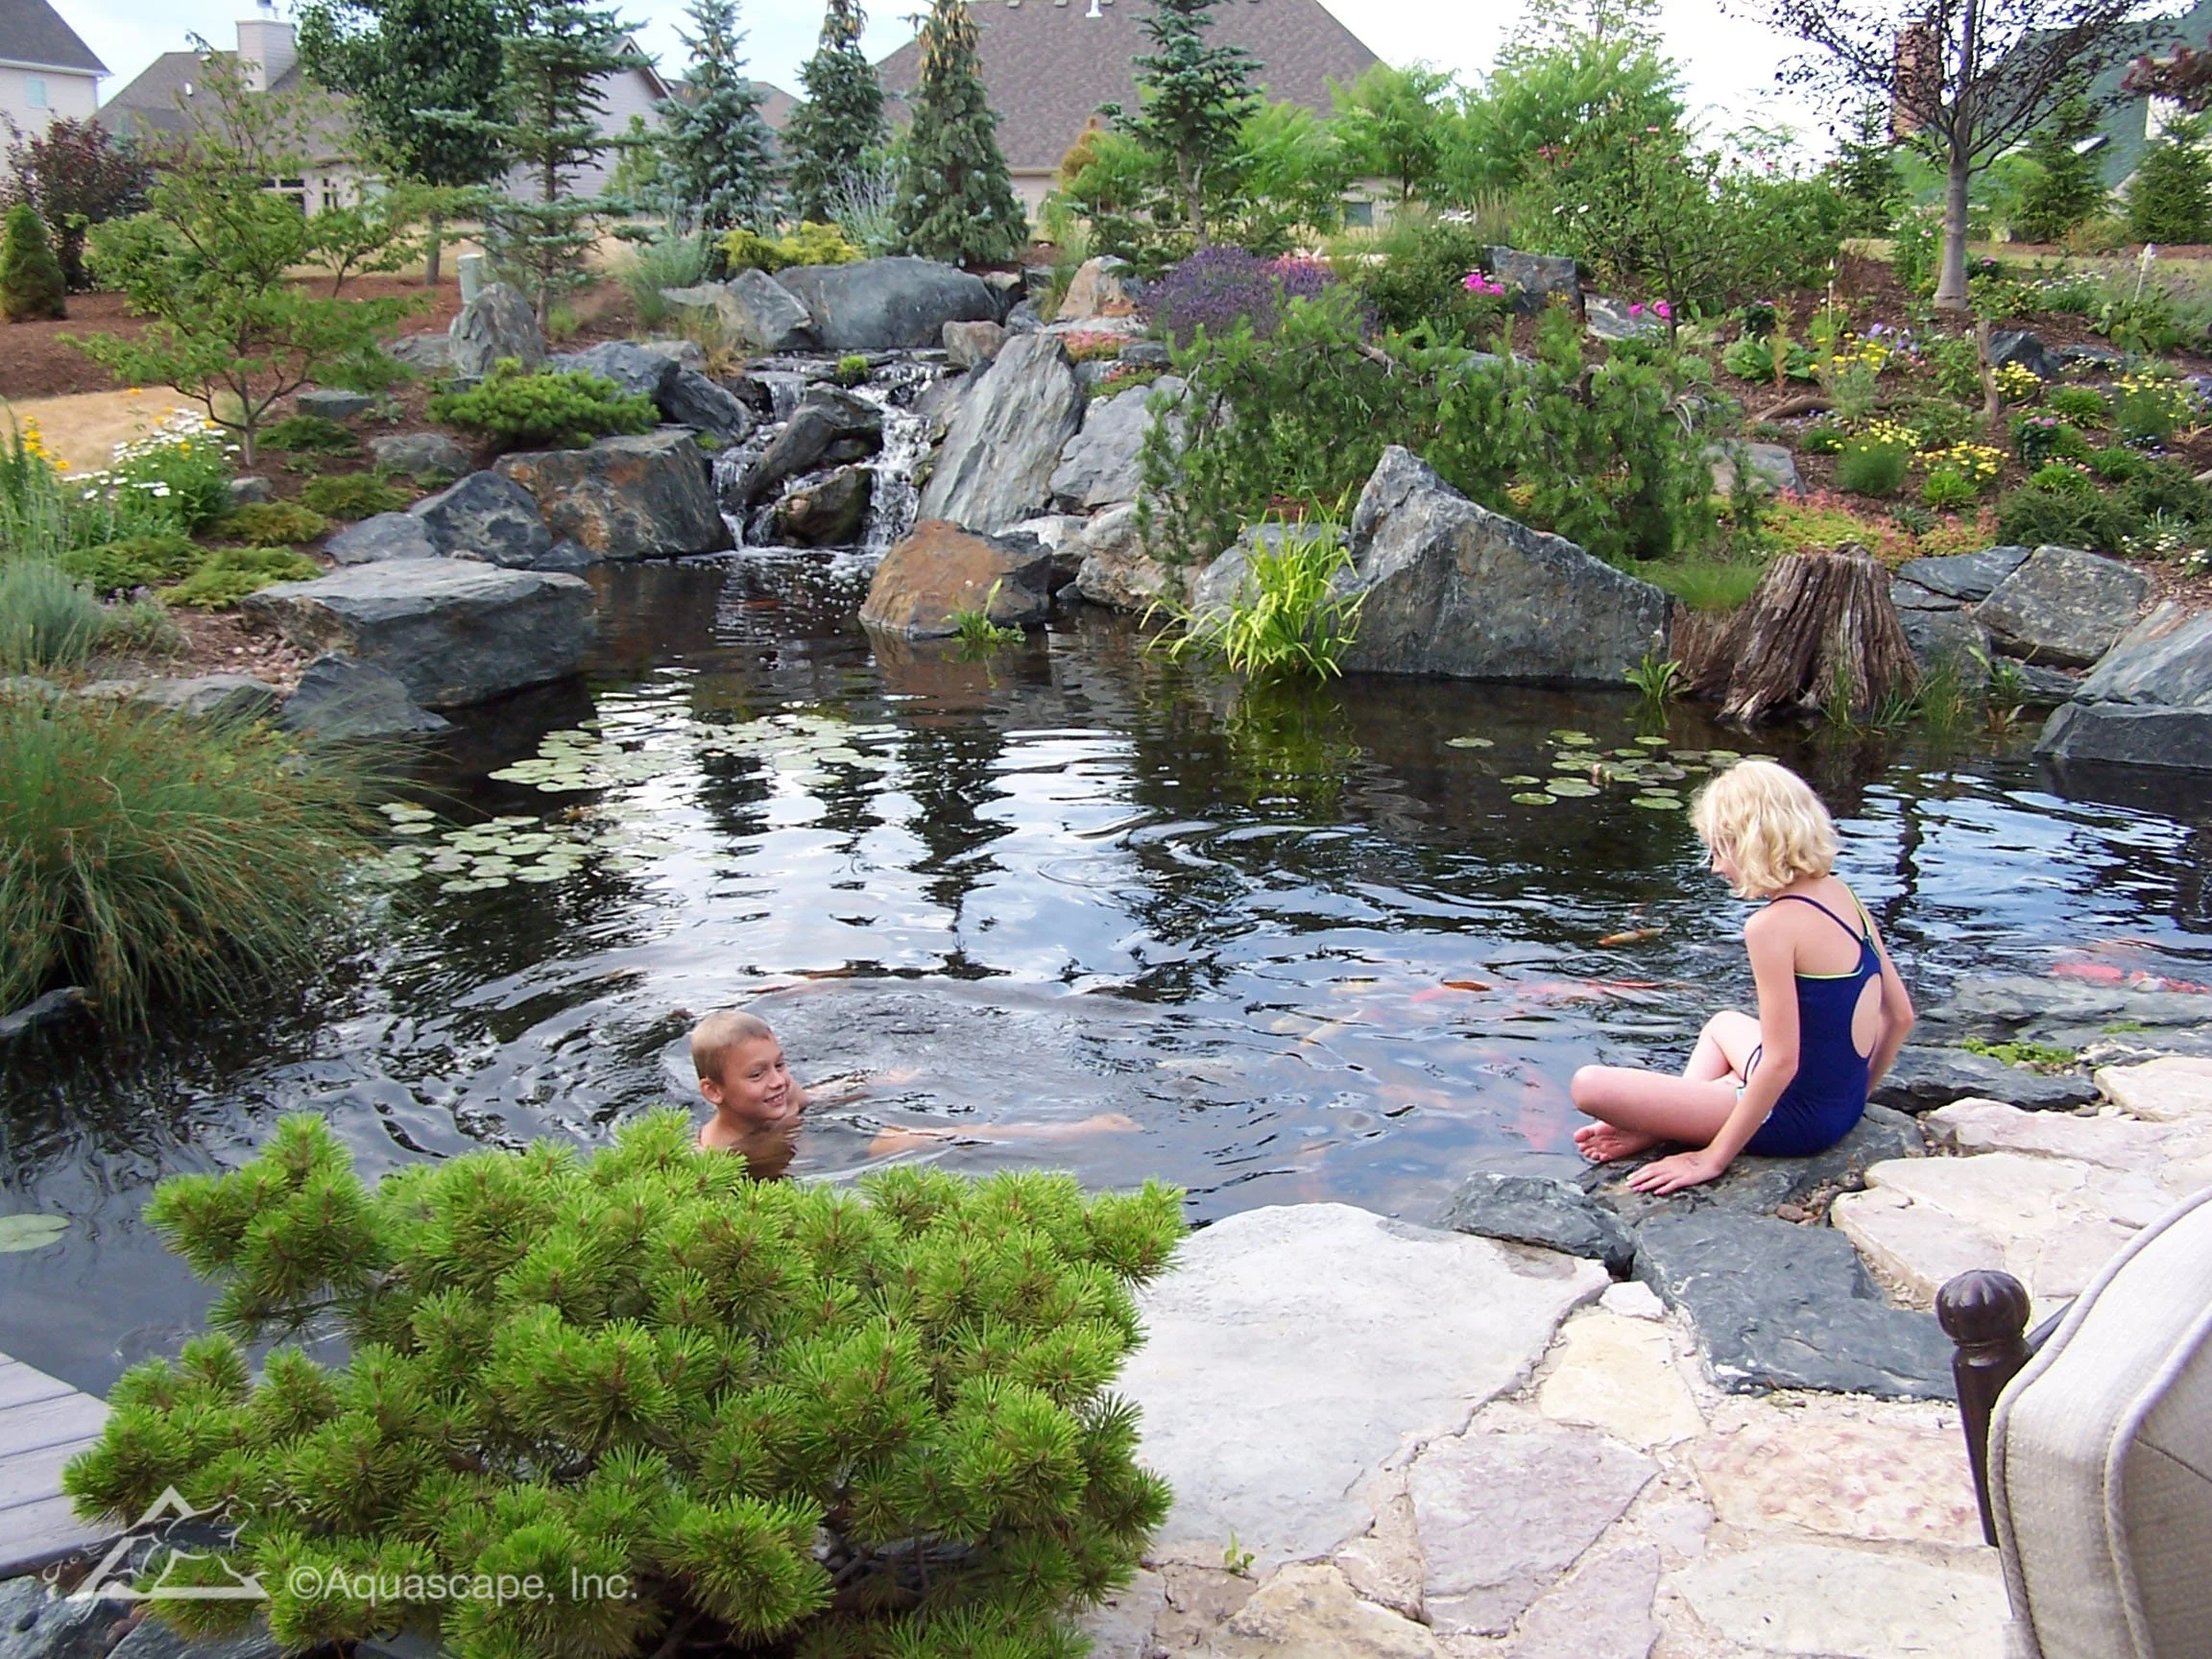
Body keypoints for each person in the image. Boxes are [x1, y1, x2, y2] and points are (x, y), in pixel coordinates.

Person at [1571, 759, 1915, 1195]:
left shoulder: (1772, 926)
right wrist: (1854, 1100)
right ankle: (1666, 1120)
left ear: (1752, 843)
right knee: (1721, 1025)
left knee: (1589, 1085)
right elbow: (1900, 1015)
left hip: (1794, 1119)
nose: (1714, 866)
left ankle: (1680, 1128)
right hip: (1838, 1106)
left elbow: (1780, 1062)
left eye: (1718, 849)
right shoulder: (1841, 893)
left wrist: (1710, 1158)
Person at [691, 1010, 807, 1178]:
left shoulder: (788, 1097)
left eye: (779, 1065)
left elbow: (821, 1101)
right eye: (756, 1074)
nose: (778, 1081)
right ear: (714, 1091)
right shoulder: (713, 1154)